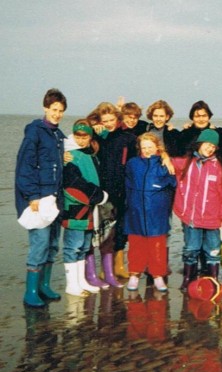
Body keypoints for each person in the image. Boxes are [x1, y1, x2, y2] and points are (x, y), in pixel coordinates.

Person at [15, 88, 67, 307]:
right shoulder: (35, 131)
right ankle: (31, 291)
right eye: (54, 109)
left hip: (55, 197)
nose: (57, 114)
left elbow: (80, 143)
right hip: (39, 198)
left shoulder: (58, 135)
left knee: (53, 243)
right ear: (46, 108)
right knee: (40, 242)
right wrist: (32, 195)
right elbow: (24, 165)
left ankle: (45, 286)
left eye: (61, 110)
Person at [172, 129, 222, 291]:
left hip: (212, 217)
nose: (210, 148)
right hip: (190, 216)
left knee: (213, 251)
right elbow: (168, 162)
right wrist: (163, 156)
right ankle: (188, 278)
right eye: (207, 144)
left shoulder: (218, 166)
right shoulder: (187, 162)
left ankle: (212, 280)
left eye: (213, 146)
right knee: (191, 249)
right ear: (200, 143)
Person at [88, 102, 137, 282]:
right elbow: (81, 135)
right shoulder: (98, 136)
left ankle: (119, 265)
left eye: (111, 119)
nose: (108, 123)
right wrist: (94, 126)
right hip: (104, 191)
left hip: (124, 189)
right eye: (105, 120)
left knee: (122, 228)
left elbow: (136, 161)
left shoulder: (128, 138)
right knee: (104, 230)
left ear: (118, 119)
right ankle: (104, 269)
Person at [124, 134, 176, 293]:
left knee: (157, 246)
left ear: (157, 147)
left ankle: (158, 275)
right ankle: (134, 274)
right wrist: (130, 204)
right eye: (144, 147)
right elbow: (127, 183)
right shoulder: (133, 163)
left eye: (150, 147)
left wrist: (165, 207)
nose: (147, 150)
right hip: (136, 210)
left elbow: (173, 186)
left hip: (157, 212)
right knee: (136, 245)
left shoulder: (163, 164)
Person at [62, 120, 109, 296]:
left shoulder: (89, 154)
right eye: (78, 136)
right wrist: (98, 196)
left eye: (85, 136)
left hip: (89, 208)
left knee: (83, 246)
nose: (81, 140)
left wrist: (101, 132)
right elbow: (74, 183)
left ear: (90, 137)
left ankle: (81, 280)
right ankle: (71, 284)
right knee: (72, 246)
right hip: (75, 206)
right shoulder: (69, 155)